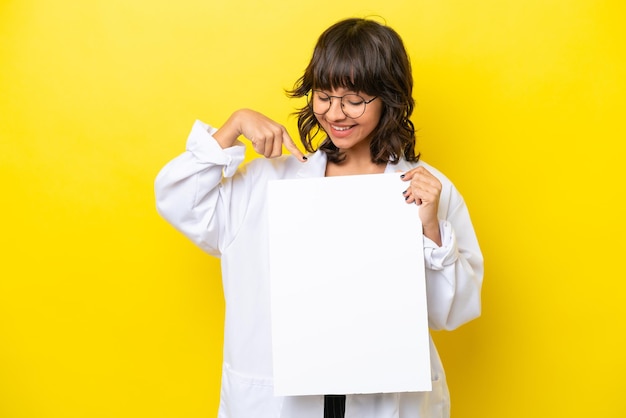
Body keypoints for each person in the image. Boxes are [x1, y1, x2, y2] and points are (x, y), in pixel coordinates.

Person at [155, 17, 483, 418]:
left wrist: (430, 226)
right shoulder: (265, 183)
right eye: (324, 95)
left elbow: (451, 313)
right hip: (276, 401)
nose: (336, 113)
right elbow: (177, 199)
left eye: (355, 99)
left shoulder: (428, 189)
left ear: (388, 98)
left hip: (386, 401)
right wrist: (232, 127)